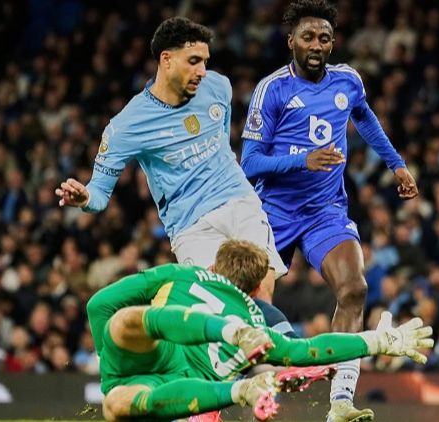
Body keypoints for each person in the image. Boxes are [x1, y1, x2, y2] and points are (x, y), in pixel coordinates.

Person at [240, 1, 419, 420]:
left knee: (354, 289)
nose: (316, 45)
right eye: (308, 37)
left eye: (324, 38)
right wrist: (302, 160)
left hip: (325, 211)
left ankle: (340, 401)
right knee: (253, 303)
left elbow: (365, 118)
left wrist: (397, 165)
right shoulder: (272, 89)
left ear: (333, 43)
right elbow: (249, 163)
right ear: (291, 41)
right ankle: (257, 396)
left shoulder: (348, 80)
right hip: (274, 212)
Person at [55, 17, 286, 302]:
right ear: (166, 59)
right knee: (219, 304)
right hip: (191, 226)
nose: (202, 71)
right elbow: (100, 193)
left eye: (205, 61)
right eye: (193, 61)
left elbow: (223, 140)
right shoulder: (126, 126)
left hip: (239, 201)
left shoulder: (219, 87)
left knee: (262, 287)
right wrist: (86, 198)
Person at [87, 240, 434, 421]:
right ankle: (238, 387)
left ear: (213, 266)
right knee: (117, 406)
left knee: (124, 323)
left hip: (144, 355)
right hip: (188, 395)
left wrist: (110, 366)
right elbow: (307, 351)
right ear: (255, 289)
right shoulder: (257, 318)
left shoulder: (181, 273)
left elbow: (98, 305)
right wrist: (377, 341)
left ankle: (225, 348)